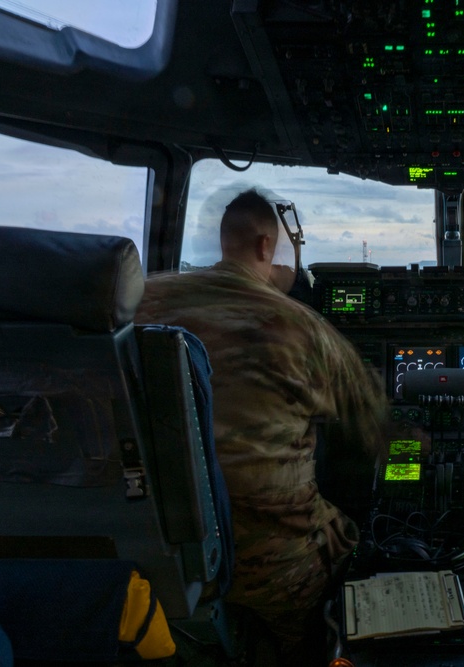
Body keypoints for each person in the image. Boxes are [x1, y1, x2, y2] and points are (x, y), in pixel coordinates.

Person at [137, 188, 390, 656]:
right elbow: (368, 431)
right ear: (264, 247)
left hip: (158, 560)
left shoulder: (141, 301)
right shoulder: (302, 327)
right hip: (275, 569)